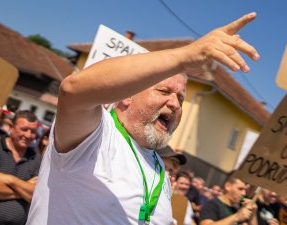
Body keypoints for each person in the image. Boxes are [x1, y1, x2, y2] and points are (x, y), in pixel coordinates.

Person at [27, 12, 260, 225]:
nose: (175, 103)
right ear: (126, 96)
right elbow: (72, 89)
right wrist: (185, 55)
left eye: (180, 98)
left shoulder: (159, 169)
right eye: (164, 91)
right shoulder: (96, 133)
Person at [0, 110, 41, 225]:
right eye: (24, 129)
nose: (28, 135)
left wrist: (11, 179)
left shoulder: (36, 159)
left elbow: (36, 197)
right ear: (11, 127)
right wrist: (24, 188)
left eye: (33, 131)